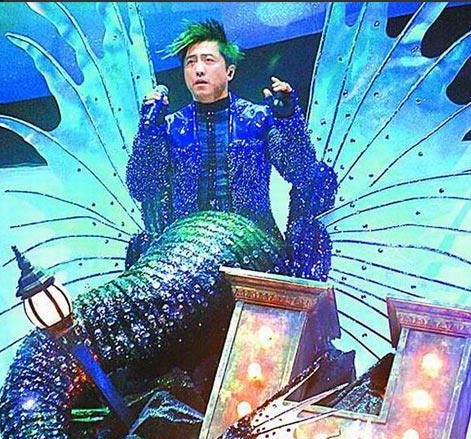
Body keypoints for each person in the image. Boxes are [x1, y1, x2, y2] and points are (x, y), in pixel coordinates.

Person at [125, 18, 337, 281]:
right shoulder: (169, 128)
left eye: (208, 60)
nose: (198, 69)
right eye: (190, 63)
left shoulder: (258, 119)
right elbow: (141, 187)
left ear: (230, 72)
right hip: (186, 260)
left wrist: (288, 120)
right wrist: (149, 131)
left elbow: (302, 172)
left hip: (255, 254)